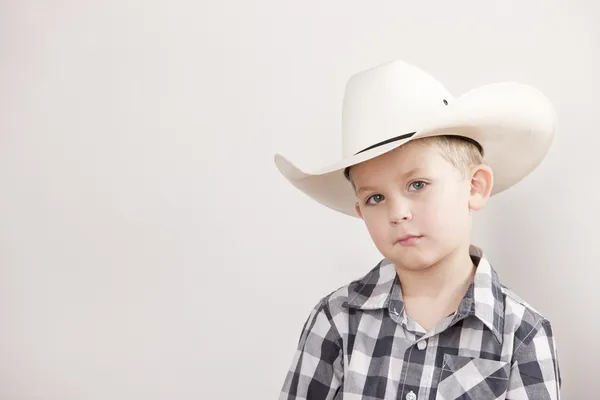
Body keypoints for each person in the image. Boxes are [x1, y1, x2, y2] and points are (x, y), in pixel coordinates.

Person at [273, 60, 561, 399]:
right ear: (360, 212)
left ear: (474, 187)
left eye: (418, 184)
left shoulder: (522, 334)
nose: (398, 213)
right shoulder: (336, 320)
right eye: (376, 197)